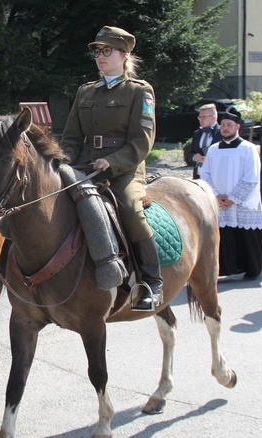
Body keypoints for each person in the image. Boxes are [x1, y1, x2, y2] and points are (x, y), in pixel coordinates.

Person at [61, 26, 161, 311]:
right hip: (85, 163)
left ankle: (151, 282)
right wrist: (67, 156)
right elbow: (70, 136)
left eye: (108, 51)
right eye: (97, 51)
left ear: (124, 55)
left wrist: (113, 161)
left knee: (129, 208)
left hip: (125, 167)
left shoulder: (139, 91)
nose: (101, 57)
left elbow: (142, 141)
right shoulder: (85, 92)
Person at [201, 108, 262, 280]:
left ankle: (251, 268)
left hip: (243, 202)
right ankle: (226, 269)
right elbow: (205, 174)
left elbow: (252, 177)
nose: (225, 128)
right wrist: (215, 195)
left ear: (237, 127)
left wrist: (234, 199)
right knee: (224, 237)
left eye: (229, 125)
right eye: (223, 125)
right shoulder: (213, 149)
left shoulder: (248, 149)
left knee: (246, 236)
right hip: (220, 201)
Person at [188, 103, 222, 179]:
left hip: (216, 176)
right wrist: (194, 157)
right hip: (199, 175)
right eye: (200, 117)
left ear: (213, 117)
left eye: (203, 117)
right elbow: (190, 153)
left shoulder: (222, 133)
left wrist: (210, 160)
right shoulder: (197, 133)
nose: (201, 120)